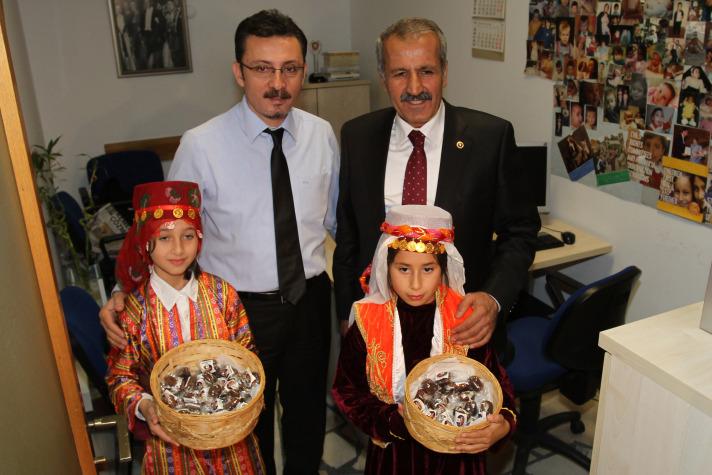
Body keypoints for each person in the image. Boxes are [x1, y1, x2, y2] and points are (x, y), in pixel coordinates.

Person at [100, 10, 339, 474]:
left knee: (308, 419)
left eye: (290, 69)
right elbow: (161, 231)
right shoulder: (201, 145)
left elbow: (334, 221)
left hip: (310, 302)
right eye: (262, 68)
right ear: (238, 72)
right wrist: (121, 291)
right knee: (243, 429)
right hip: (236, 311)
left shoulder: (321, 135)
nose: (278, 84)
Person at [334, 18, 540, 356]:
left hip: (462, 330)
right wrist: (347, 313)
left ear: (445, 71)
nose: (415, 87)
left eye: (426, 71)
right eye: (400, 73)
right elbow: (348, 238)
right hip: (379, 331)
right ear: (383, 77)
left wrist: (493, 298)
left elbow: (521, 231)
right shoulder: (358, 136)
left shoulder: (490, 138)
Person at [332, 205, 517, 474]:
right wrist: (392, 421)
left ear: (443, 268)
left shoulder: (463, 317)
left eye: (428, 269)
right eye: (404, 269)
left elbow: (498, 385)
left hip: (457, 453)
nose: (416, 284)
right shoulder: (368, 320)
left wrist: (504, 424)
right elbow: (347, 390)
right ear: (386, 266)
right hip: (396, 453)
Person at [105, 181, 265, 473]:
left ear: (199, 238)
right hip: (170, 444)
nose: (178, 249)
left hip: (229, 444)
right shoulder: (134, 310)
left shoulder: (222, 295)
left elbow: (247, 355)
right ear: (145, 241)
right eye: (164, 238)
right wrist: (144, 405)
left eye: (188, 236)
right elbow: (120, 377)